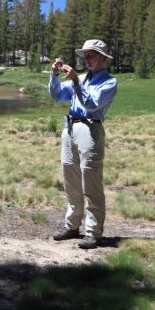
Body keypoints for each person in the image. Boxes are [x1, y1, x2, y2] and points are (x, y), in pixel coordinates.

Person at [48, 39, 117, 249]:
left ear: (102, 58)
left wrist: (77, 83)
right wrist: (54, 75)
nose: (87, 59)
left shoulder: (109, 82)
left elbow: (92, 104)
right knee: (71, 179)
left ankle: (93, 232)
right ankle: (72, 226)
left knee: (91, 181)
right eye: (85, 55)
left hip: (90, 129)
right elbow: (57, 94)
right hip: (70, 129)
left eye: (91, 55)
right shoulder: (82, 78)